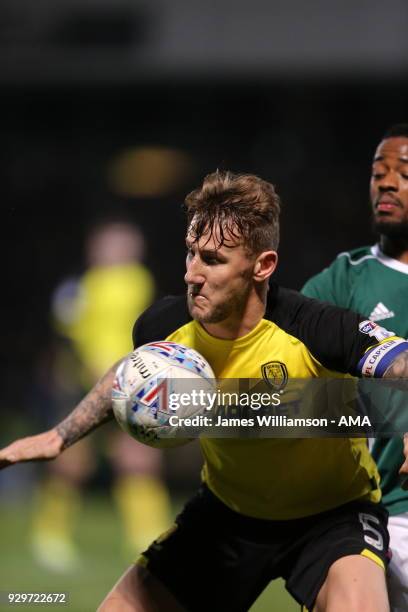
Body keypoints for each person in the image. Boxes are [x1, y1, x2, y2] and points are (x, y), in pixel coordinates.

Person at [2, 170, 408, 612]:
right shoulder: (163, 328)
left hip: (332, 519)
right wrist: (62, 435)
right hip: (226, 517)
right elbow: (130, 374)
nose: (192, 273)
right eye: (190, 254)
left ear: (262, 265)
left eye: (212, 260)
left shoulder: (315, 327)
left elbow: (400, 361)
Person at [302, 123, 408, 611]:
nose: (385, 183)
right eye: (378, 173)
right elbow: (284, 384)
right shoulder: (346, 278)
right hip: (369, 518)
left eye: (403, 173)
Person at [29, 220, 171, 570]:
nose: (123, 250)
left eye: (127, 244)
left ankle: (149, 537)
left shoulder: (135, 280)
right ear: (95, 248)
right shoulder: (78, 288)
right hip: (83, 385)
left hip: (130, 383)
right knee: (71, 463)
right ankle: (50, 535)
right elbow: (65, 337)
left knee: (138, 459)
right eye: (115, 244)